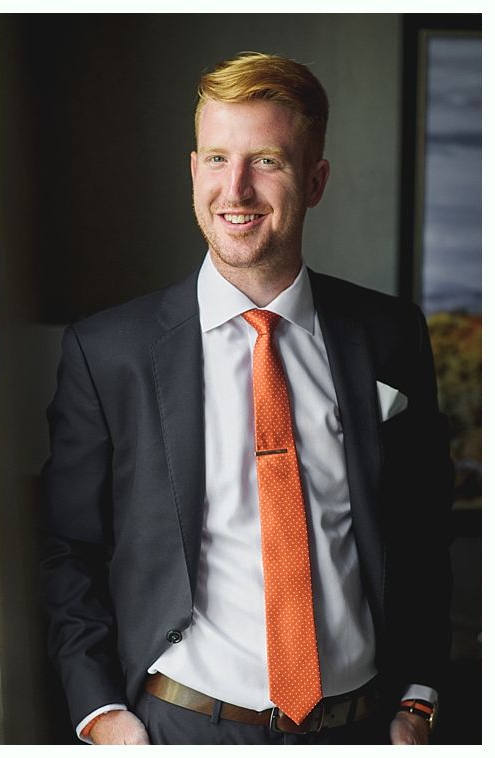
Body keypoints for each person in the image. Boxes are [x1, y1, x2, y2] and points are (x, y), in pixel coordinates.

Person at [39, 52, 451, 745]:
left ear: (314, 181)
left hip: (360, 729)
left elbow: (422, 528)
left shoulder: (390, 336)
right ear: (192, 170)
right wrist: (104, 715)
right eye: (217, 159)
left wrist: (418, 699)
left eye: (267, 161)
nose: (236, 189)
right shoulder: (108, 350)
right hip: (181, 727)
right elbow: (68, 547)